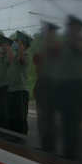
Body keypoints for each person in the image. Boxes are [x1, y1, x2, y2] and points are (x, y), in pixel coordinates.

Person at [57, 15, 82, 160]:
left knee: (74, 130)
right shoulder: (67, 48)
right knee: (67, 128)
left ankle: (73, 158)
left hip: (76, 93)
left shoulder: (79, 48)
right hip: (67, 92)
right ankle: (69, 156)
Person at [33, 22, 60, 152]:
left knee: (49, 120)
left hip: (51, 88)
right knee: (42, 120)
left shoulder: (57, 49)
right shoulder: (43, 49)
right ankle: (45, 146)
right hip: (42, 87)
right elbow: (38, 70)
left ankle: (50, 148)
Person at [6, 32, 30, 135]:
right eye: (15, 42)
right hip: (12, 89)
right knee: (12, 115)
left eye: (18, 42)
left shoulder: (25, 55)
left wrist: (21, 44)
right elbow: (10, 57)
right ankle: (13, 135)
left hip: (21, 90)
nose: (15, 43)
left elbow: (22, 60)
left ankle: (22, 137)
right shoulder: (15, 57)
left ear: (24, 45)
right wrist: (9, 46)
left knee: (20, 117)